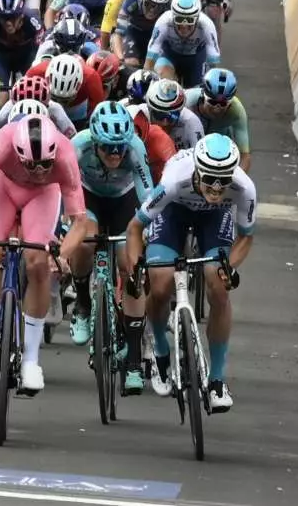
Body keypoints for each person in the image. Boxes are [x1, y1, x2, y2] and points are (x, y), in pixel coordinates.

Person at [0, 114, 90, 393]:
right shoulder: (3, 142)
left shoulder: (64, 153)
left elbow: (79, 221)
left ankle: (31, 359)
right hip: (3, 189)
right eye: (30, 164)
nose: (38, 171)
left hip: (43, 197)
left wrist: (62, 256)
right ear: (17, 153)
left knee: (39, 263)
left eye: (45, 165)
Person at [124, 134, 257, 411]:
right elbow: (134, 228)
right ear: (197, 171)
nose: (217, 188)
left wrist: (228, 268)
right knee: (160, 284)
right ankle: (160, 350)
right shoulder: (174, 181)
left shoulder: (244, 187)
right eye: (210, 179)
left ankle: (217, 380)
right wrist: (137, 269)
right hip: (173, 211)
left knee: (218, 287)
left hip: (215, 217)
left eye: (224, 181)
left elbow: (246, 236)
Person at [68, 102, 154, 395]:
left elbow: (148, 198)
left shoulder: (136, 148)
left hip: (123, 200)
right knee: (85, 242)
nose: (115, 154)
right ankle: (82, 304)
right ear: (95, 141)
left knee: (130, 267)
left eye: (120, 148)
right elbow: (62, 188)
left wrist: (147, 231)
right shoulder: (78, 147)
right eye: (108, 148)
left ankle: (134, 361)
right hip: (88, 198)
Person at [146, 0, 221, 87]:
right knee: (165, 82)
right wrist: (146, 81)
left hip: (196, 59)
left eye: (190, 20)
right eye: (179, 19)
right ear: (173, 17)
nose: (184, 26)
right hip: (169, 55)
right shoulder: (164, 21)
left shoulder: (207, 25)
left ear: (197, 18)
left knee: (198, 89)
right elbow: (151, 56)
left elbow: (212, 62)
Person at [185, 68, 250, 171]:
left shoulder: (236, 110)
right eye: (212, 102)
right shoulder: (188, 101)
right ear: (203, 96)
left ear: (230, 102)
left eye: (223, 104)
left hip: (219, 148)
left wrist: (235, 178)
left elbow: (244, 156)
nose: (217, 109)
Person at [27, 53, 106, 128]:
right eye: (54, 99)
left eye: (64, 101)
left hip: (75, 107)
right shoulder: (36, 72)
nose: (59, 106)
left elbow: (97, 112)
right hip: (59, 103)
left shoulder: (91, 78)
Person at [113, 0, 175, 67]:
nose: (152, 10)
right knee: (130, 63)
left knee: (160, 66)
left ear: (165, 4)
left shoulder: (169, 7)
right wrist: (121, 59)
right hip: (133, 33)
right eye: (148, 4)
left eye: (158, 6)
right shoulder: (132, 1)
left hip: (156, 36)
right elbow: (118, 34)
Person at [138, 78, 204, 151]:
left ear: (180, 111)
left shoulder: (192, 122)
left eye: (172, 116)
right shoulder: (138, 115)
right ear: (149, 109)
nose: (165, 123)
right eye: (159, 115)